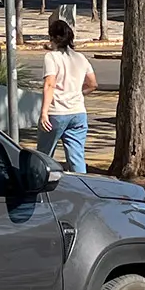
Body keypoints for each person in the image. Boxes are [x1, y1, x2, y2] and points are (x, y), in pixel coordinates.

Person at [38, 16, 97, 173]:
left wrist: (44, 112)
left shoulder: (51, 57)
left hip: (56, 112)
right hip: (78, 112)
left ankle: (40, 185)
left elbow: (50, 84)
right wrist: (78, 93)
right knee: (77, 157)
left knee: (43, 155)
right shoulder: (81, 58)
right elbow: (92, 84)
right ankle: (82, 188)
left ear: (52, 37)